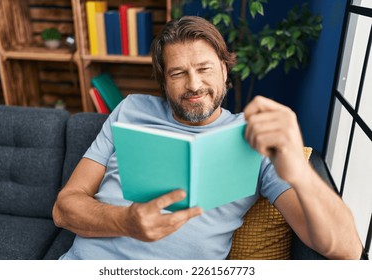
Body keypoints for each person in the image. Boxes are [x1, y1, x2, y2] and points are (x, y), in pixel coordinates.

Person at [53, 16, 363, 260]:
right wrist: (125, 221)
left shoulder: (253, 135)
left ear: (226, 70)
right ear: (163, 81)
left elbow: (347, 249)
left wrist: (300, 173)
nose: (194, 84)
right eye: (178, 73)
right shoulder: (130, 109)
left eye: (205, 68)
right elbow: (64, 208)